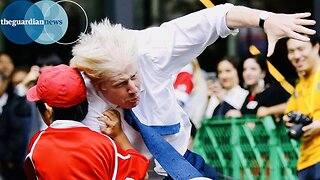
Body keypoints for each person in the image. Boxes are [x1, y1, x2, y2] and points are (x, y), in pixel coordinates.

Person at [70, 3, 316, 179]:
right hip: (134, 172)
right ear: (99, 83)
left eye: (135, 76)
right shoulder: (82, 98)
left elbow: (217, 17)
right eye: (121, 84)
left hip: (181, 160)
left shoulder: (152, 48)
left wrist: (265, 20)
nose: (134, 88)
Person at [24, 65, 149, 180]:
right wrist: (119, 136)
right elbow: (142, 174)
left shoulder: (36, 144)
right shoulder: (104, 145)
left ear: (48, 108)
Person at [283, 34, 320, 180]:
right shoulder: (300, 85)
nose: (296, 55)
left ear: (316, 47)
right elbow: (288, 113)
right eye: (291, 51)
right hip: (305, 161)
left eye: (301, 49)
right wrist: (289, 120)